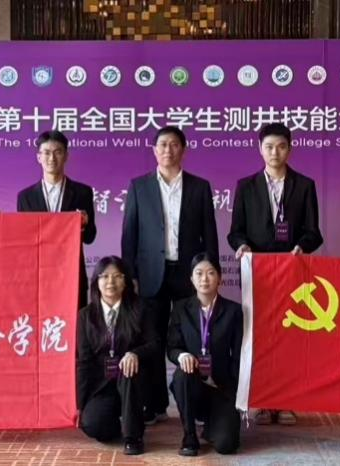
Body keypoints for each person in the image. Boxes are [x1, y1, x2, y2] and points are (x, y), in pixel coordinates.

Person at [122, 126, 219, 423]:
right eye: (162, 145)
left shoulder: (199, 187)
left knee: (192, 335)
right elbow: (129, 235)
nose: (168, 150)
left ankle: (194, 400)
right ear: (154, 150)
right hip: (151, 274)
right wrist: (130, 275)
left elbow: (210, 234)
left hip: (189, 274)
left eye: (174, 144)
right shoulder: (139, 186)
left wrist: (211, 272)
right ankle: (155, 403)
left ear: (183, 150)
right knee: (153, 337)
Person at [227, 122, 323, 425]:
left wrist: (301, 246)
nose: (275, 152)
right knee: (258, 336)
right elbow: (235, 232)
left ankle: (285, 402)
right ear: (260, 149)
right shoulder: (246, 186)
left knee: (289, 337)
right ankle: (261, 399)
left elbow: (314, 232)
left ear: (289, 149)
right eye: (269, 147)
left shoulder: (304, 185)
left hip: (292, 272)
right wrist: (242, 246)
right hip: (257, 275)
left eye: (281, 146)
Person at [76, 256, 157, 455]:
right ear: (96, 281)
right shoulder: (86, 316)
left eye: (117, 276)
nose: (110, 282)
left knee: (128, 369)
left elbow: (154, 344)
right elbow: (83, 362)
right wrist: (80, 404)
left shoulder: (140, 309)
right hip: (102, 386)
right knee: (93, 425)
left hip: (133, 382)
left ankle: (133, 437)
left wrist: (134, 353)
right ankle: (118, 425)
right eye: (104, 276)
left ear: (125, 281)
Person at [168, 253, 243, 456]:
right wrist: (182, 356)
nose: (204, 279)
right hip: (193, 387)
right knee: (182, 375)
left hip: (222, 389)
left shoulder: (234, 311)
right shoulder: (181, 309)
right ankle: (189, 435)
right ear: (191, 279)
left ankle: (213, 425)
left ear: (220, 278)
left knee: (227, 445)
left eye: (210, 273)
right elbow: (172, 347)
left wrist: (235, 394)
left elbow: (238, 356)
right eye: (199, 273)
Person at [17, 130, 97, 310]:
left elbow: (90, 237)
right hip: (38, 276)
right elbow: (23, 240)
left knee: (74, 322)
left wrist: (84, 223)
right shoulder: (25, 197)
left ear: (66, 156)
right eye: (46, 153)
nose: (51, 158)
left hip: (72, 274)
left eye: (57, 152)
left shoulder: (82, 192)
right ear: (38, 157)